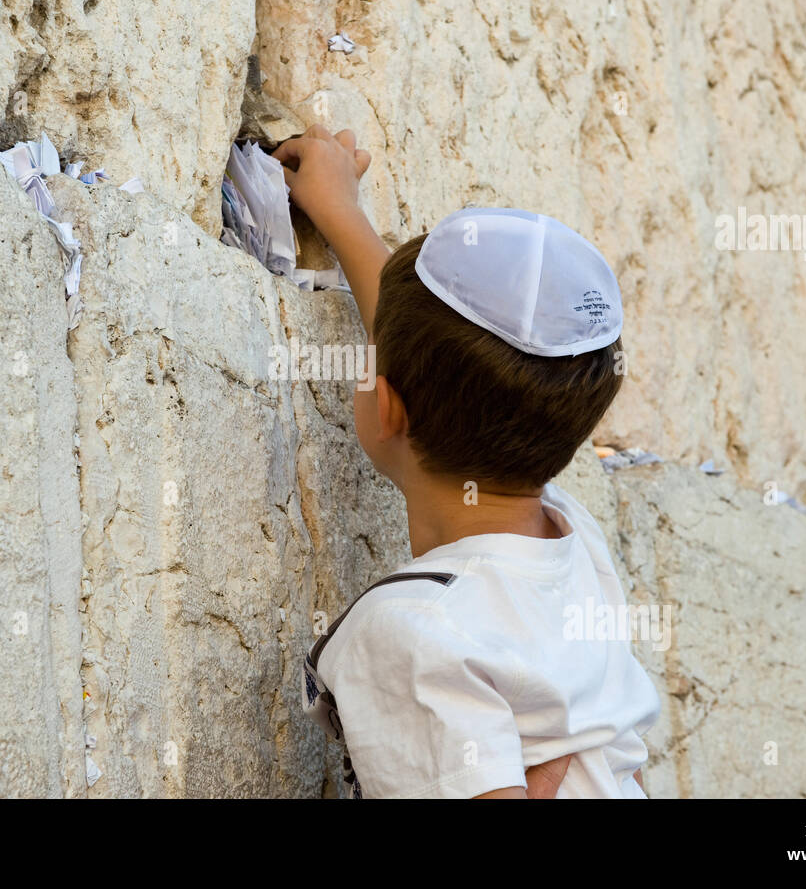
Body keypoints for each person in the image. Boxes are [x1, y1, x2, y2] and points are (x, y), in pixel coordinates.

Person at [276, 126, 660, 799]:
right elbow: (427, 359)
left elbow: (426, 358)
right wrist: (341, 213)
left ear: (387, 403)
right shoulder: (571, 539)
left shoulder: (414, 635)